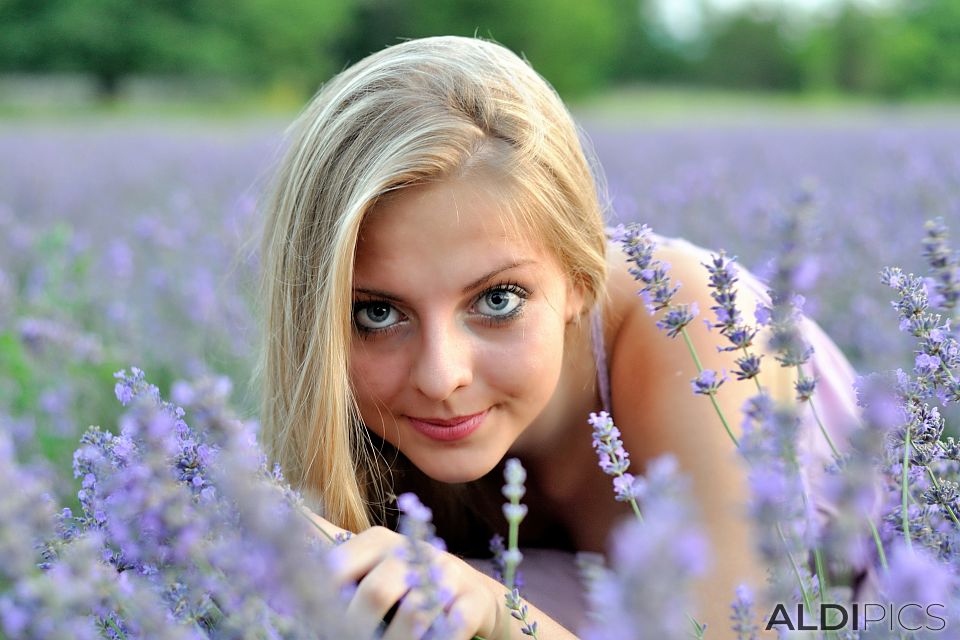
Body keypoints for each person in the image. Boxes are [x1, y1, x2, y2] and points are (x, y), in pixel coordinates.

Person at [255, 35, 867, 639]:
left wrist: (498, 616)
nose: (441, 377)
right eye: (378, 315)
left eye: (497, 300)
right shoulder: (344, 425)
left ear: (581, 275)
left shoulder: (695, 329)